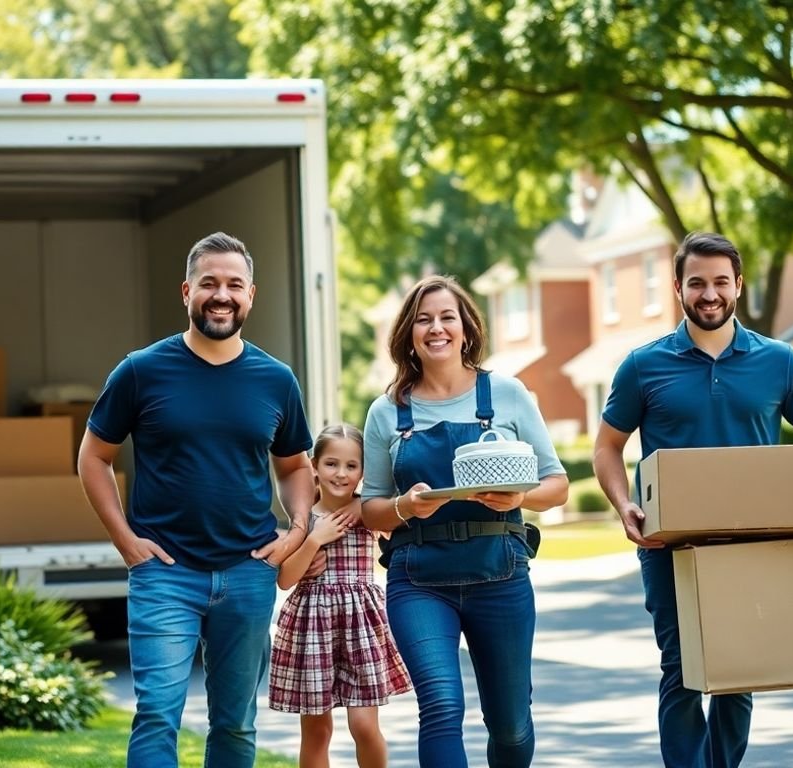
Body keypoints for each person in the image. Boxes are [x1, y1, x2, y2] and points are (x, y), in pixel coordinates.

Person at [592, 231, 793, 768]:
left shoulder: (779, 361)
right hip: (668, 545)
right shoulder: (643, 365)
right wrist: (623, 503)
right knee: (681, 668)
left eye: (721, 282)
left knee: (736, 671)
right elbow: (607, 446)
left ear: (738, 285)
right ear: (678, 288)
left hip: (749, 544)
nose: (709, 294)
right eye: (697, 283)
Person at [78, 231, 315, 768]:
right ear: (187, 291)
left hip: (248, 572)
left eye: (234, 284)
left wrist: (298, 528)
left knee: (235, 722)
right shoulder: (140, 370)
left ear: (251, 295)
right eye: (209, 283)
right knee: (157, 713)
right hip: (164, 573)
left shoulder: (276, 379)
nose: (221, 295)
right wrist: (125, 540)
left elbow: (295, 466)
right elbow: (93, 457)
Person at [359, 275, 570, 768]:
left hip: (500, 573)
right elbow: (370, 508)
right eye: (423, 320)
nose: (436, 328)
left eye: (446, 317)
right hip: (418, 579)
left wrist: (520, 496)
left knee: (511, 725)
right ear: (409, 334)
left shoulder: (507, 394)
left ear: (466, 327)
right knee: (440, 706)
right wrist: (404, 507)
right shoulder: (387, 412)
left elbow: (557, 484)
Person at [268, 423, 413, 768]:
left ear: (364, 471)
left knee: (364, 726)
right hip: (311, 629)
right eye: (331, 463)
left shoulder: (369, 514)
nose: (341, 473)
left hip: (360, 626)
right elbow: (285, 580)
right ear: (314, 466)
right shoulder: (304, 519)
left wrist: (362, 506)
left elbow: (403, 505)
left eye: (352, 465)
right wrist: (314, 539)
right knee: (317, 731)